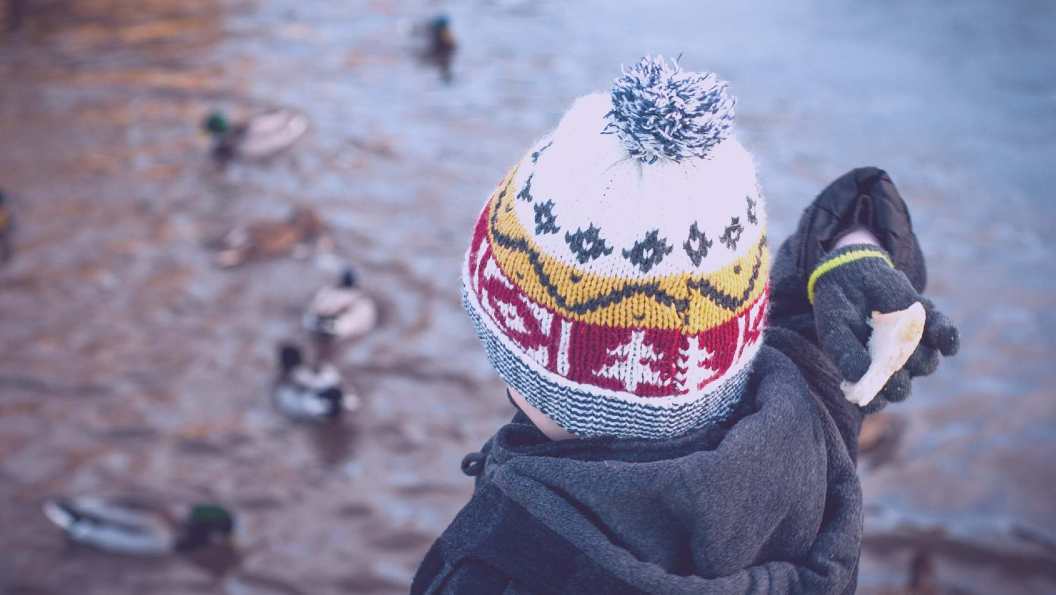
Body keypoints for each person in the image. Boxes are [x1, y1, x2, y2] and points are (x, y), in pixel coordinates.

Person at [411, 55, 959, 595]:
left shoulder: (489, 573)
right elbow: (857, 201)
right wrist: (853, 251)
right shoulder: (812, 406)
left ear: (522, 346)